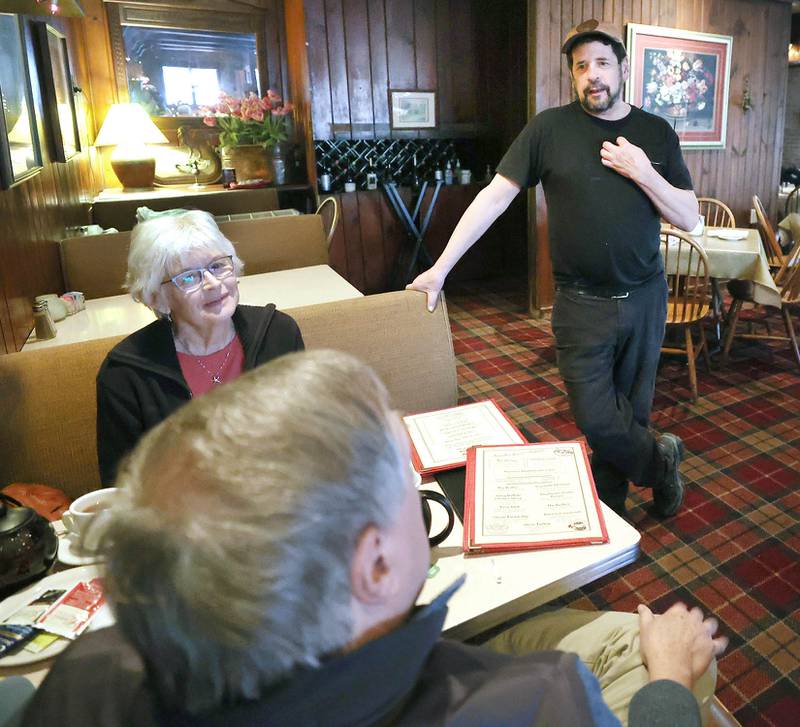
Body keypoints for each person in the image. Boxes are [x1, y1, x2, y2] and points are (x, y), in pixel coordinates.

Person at [25, 351, 727, 726]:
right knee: (668, 649)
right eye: (410, 484)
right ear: (378, 563)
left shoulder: (82, 674)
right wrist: (668, 683)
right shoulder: (543, 703)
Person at [409, 19, 700, 518]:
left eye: (603, 63)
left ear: (624, 69)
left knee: (633, 410)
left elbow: (690, 216)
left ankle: (609, 511)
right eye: (581, 66)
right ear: (572, 75)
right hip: (579, 302)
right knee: (596, 417)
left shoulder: (655, 132)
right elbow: (494, 196)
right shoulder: (549, 128)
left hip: (645, 298)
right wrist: (440, 268)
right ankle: (661, 462)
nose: (592, 75)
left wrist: (642, 171)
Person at [95, 209, 303, 485]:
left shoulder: (277, 334)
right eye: (189, 277)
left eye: (218, 266)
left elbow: (308, 438)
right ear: (157, 297)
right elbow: (122, 487)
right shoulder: (125, 373)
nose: (213, 284)